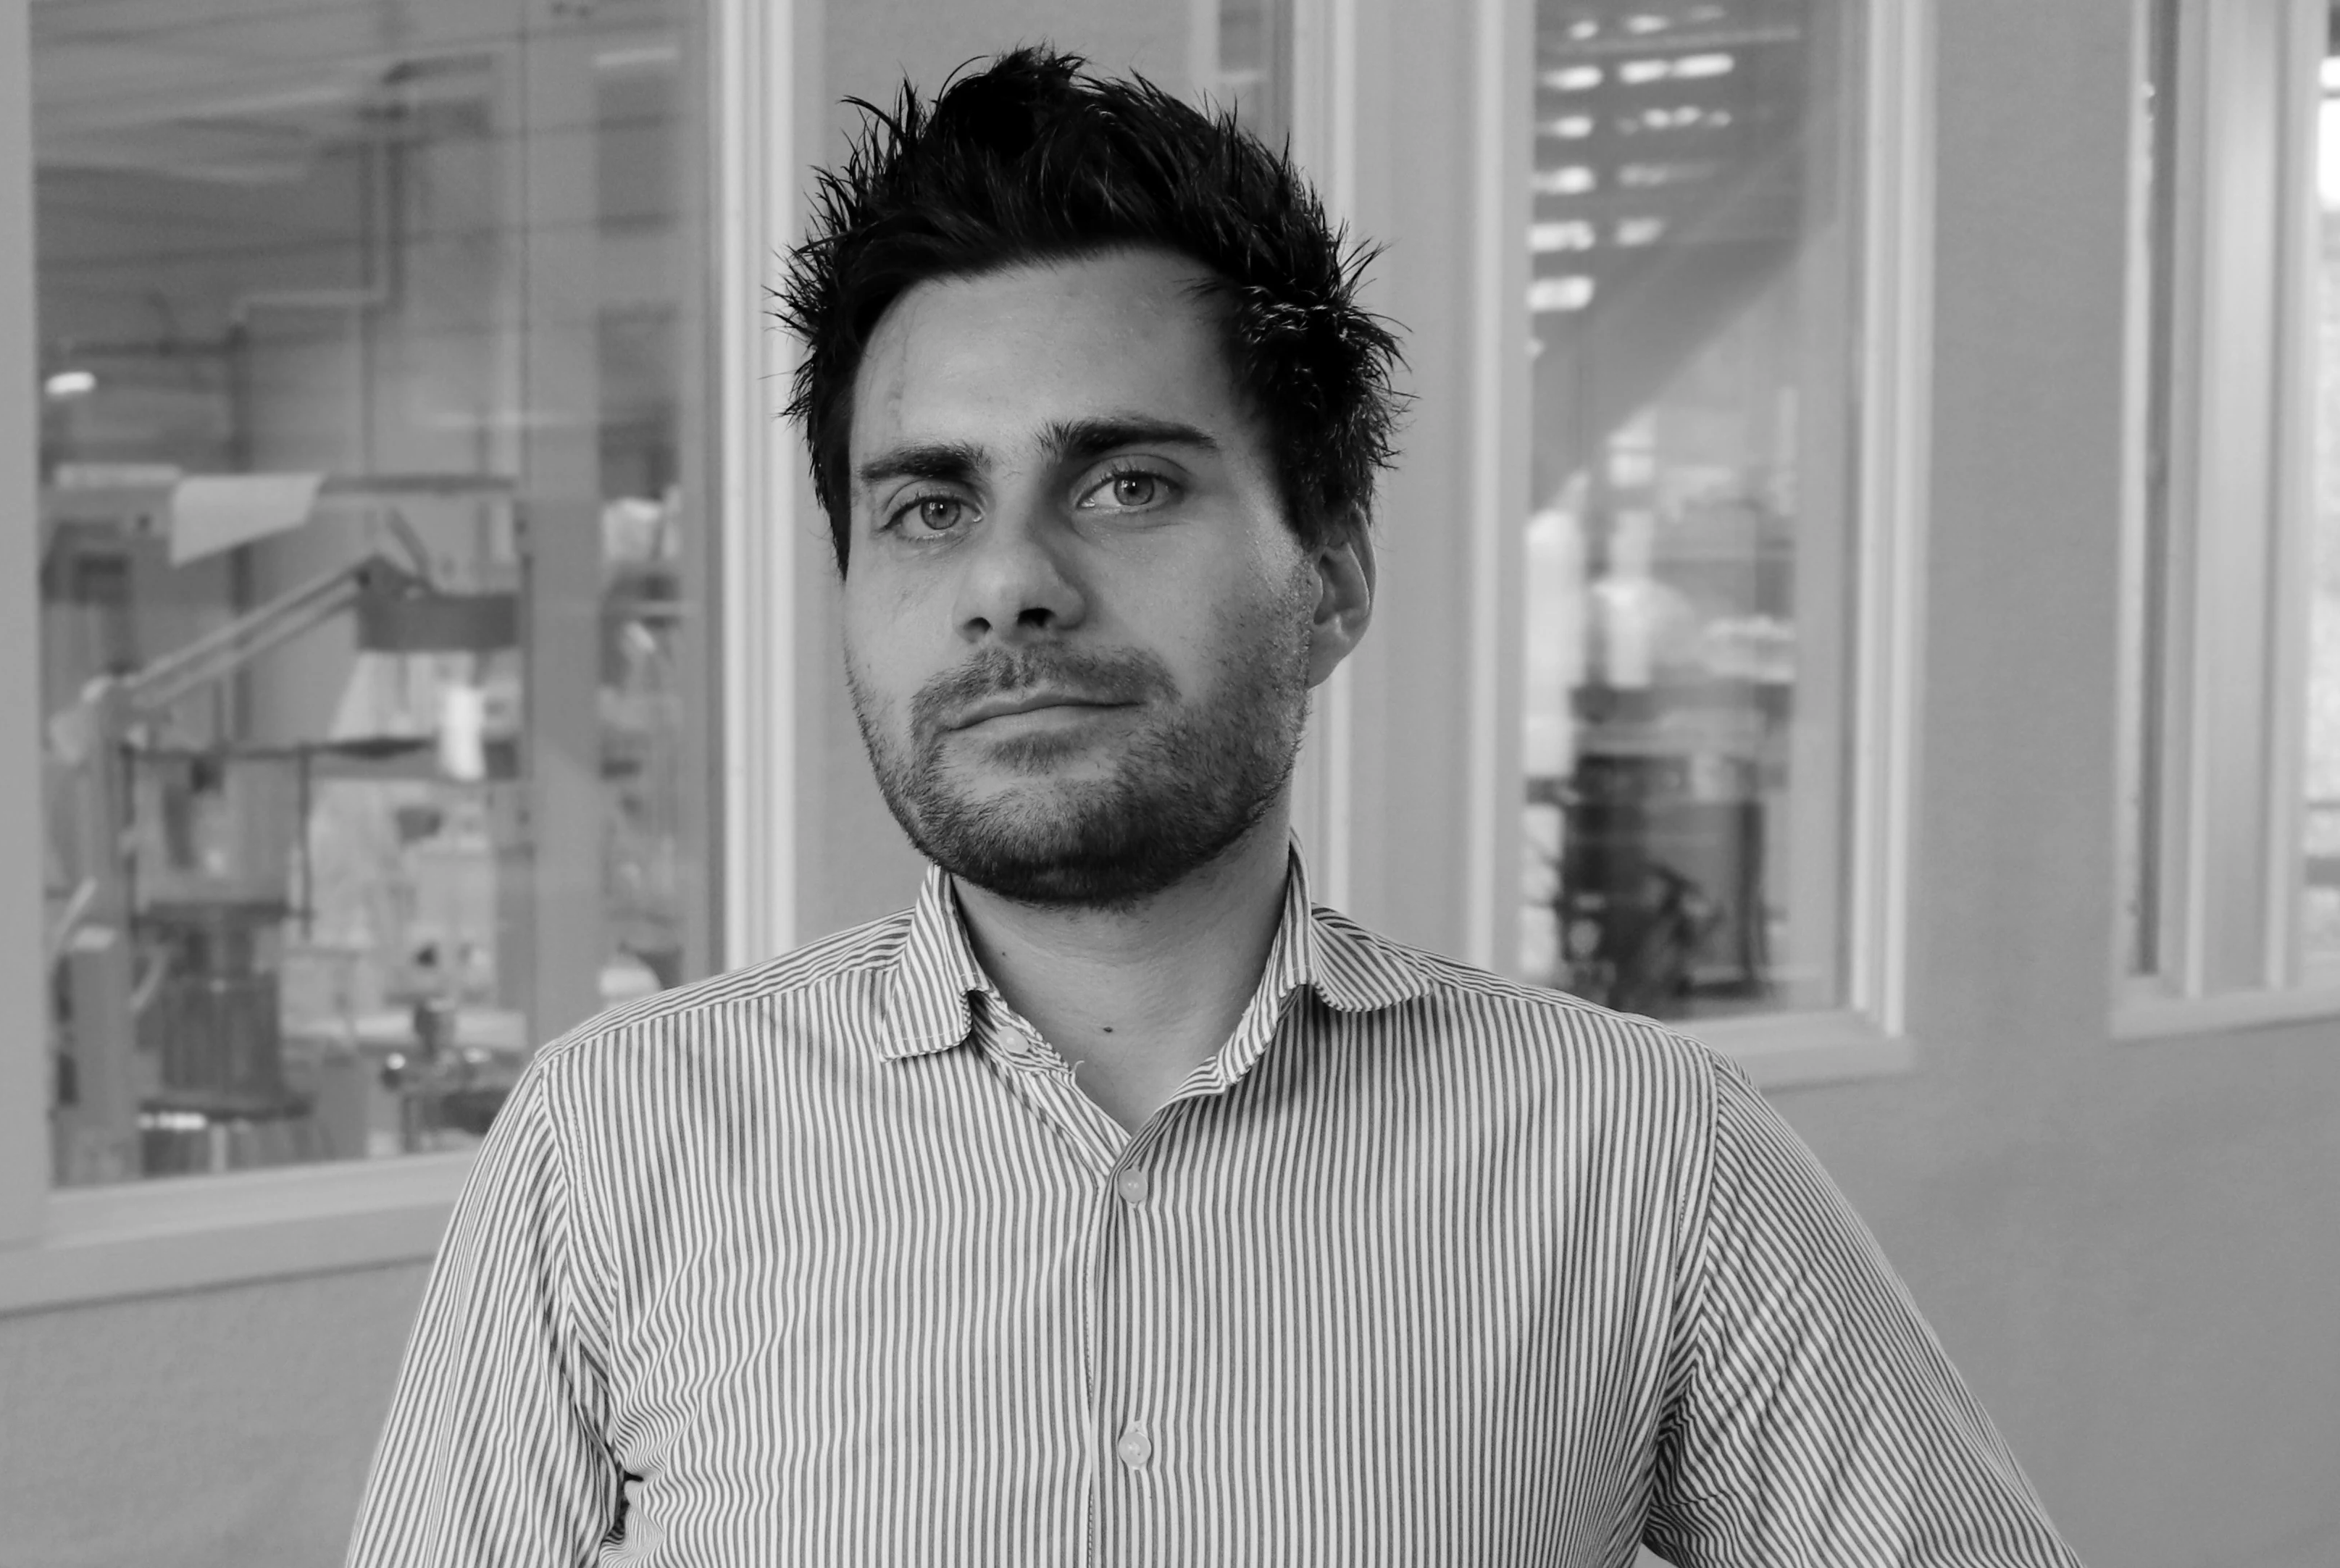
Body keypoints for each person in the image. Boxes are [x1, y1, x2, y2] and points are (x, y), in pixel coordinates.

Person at [346, 47, 2084, 1567]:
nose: (1009, 584)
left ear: (1329, 578)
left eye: (1126, 482)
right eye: (930, 507)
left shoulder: (1639, 1153)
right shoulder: (615, 1143)